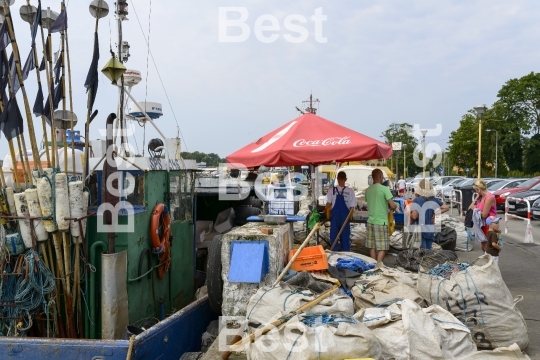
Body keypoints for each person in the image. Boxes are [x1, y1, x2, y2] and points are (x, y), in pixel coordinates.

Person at [365, 169, 397, 261]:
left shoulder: (368, 190)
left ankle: (374, 265)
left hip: (370, 222)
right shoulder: (384, 189)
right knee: (383, 247)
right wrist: (393, 207)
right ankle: (378, 265)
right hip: (381, 222)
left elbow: (370, 202)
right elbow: (392, 205)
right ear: (380, 177)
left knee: (372, 246)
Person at [409, 179, 449, 249]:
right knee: (429, 251)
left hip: (420, 231)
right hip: (430, 230)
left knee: (422, 253)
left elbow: (414, 216)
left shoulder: (417, 200)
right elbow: (446, 207)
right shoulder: (434, 200)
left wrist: (409, 213)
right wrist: (435, 213)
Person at [326, 171, 357, 251]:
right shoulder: (350, 191)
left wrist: (326, 208)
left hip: (335, 217)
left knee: (334, 236)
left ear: (337, 178)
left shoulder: (331, 190)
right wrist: (350, 217)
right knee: (345, 236)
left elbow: (328, 205)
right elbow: (352, 207)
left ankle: (334, 253)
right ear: (346, 179)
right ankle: (345, 254)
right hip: (345, 217)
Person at [468, 179, 497, 253]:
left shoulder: (489, 198)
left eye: (476, 190)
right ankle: (487, 261)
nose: (475, 192)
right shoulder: (481, 197)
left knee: (489, 247)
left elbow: (484, 214)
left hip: (489, 224)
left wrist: (475, 209)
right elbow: (470, 207)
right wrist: (477, 197)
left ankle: (491, 262)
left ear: (478, 189)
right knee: (483, 247)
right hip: (481, 224)